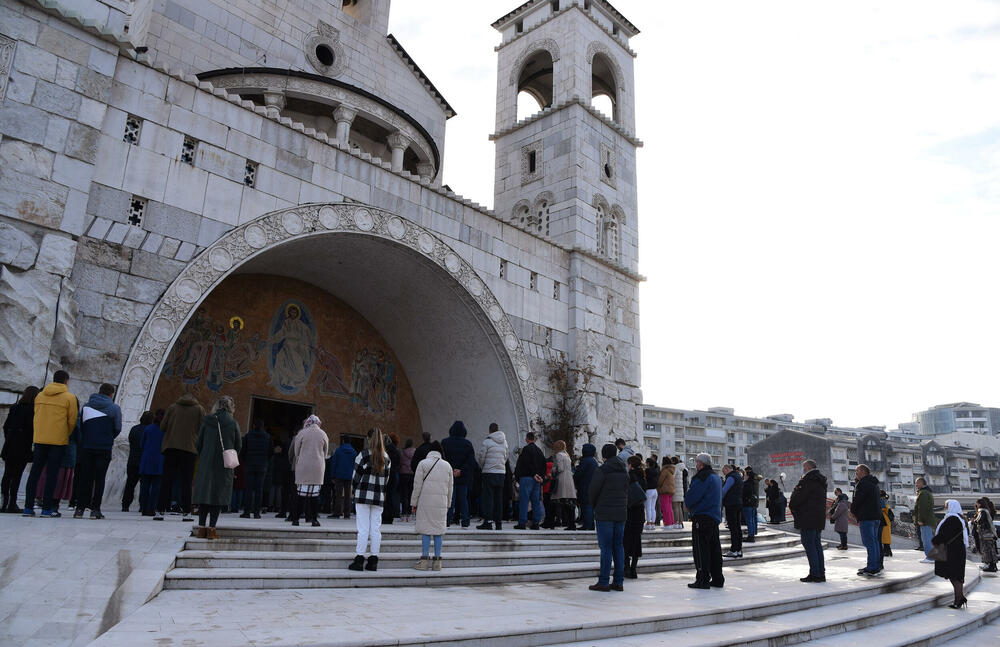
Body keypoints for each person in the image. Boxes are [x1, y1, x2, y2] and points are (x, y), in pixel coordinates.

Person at [23, 370, 78, 517]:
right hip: (58, 441)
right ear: (66, 381)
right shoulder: (70, 398)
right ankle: (47, 508)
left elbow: (37, 415)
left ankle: (28, 507)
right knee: (52, 475)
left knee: (35, 473)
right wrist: (63, 434)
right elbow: (72, 421)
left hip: (40, 439)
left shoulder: (40, 395)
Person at [192, 396, 241, 539]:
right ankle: (212, 530)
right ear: (231, 407)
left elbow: (198, 443)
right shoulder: (233, 423)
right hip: (224, 465)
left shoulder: (207, 421)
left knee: (204, 496)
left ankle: (201, 529)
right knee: (218, 497)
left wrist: (205, 455)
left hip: (206, 464)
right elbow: (238, 445)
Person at [74, 383, 123, 519]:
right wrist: (107, 437)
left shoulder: (86, 407)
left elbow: (81, 427)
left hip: (87, 446)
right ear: (111, 394)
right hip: (104, 447)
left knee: (85, 478)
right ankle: (95, 510)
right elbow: (117, 428)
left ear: (99, 391)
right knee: (100, 479)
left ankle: (79, 509)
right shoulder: (114, 408)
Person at [157, 392, 205, 520]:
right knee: (187, 482)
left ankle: (160, 510)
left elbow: (162, 427)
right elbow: (202, 429)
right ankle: (186, 512)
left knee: (167, 480)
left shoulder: (173, 407)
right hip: (189, 449)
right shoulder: (199, 409)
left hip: (171, 447)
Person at [349, 428, 390, 572]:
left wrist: (353, 490)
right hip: (379, 497)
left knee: (363, 528)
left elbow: (356, 477)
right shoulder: (386, 457)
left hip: (363, 495)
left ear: (368, 439)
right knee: (375, 529)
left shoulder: (363, 455)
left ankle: (359, 559)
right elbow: (386, 481)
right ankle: (373, 560)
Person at [588, 443, 628, 592]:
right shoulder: (624, 470)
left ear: (604, 455)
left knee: (606, 548)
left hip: (604, 514)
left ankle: (604, 581)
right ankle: (618, 581)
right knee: (618, 546)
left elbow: (593, 491)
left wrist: (595, 506)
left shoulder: (602, 470)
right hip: (620, 513)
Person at [411, 440, 453, 570]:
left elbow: (417, 486)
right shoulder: (448, 466)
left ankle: (424, 561)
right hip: (441, 503)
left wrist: (414, 503)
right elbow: (450, 488)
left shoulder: (422, 464)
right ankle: (437, 562)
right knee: (438, 531)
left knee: (426, 530)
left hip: (425, 501)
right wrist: (448, 504)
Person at [684, 453, 724, 589]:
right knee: (714, 549)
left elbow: (693, 495)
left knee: (701, 550)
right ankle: (718, 578)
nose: (696, 465)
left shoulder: (702, 477)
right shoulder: (716, 477)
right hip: (714, 516)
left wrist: (688, 504)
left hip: (702, 516)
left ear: (700, 464)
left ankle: (702, 579)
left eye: (697, 462)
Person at [788, 459, 827, 583]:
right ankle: (820, 572)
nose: (802, 469)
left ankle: (815, 573)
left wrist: (793, 503)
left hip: (807, 517)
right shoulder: (820, 480)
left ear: (809, 468)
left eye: (804, 467)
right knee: (816, 545)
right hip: (817, 518)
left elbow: (798, 498)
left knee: (810, 545)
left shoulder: (808, 480)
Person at [2, 386, 38, 513]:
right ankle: (12, 503)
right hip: (23, 447)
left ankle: (4, 502)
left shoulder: (14, 408)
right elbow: (32, 430)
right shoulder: (33, 411)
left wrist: (10, 438)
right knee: (17, 475)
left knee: (7, 474)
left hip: (10, 446)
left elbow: (6, 427)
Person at [289, 415, 328, 527]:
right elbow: (325, 453)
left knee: (301, 494)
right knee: (314, 496)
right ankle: (314, 520)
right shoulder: (323, 434)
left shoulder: (301, 433)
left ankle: (296, 520)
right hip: (317, 468)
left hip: (303, 467)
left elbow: (296, 452)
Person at [931, 499, 969, 609]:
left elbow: (944, 534)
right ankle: (960, 597)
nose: (945, 508)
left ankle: (959, 599)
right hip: (957, 550)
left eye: (947, 506)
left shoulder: (952, 519)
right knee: (956, 575)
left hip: (953, 551)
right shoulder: (960, 518)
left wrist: (935, 541)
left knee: (954, 575)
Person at [441, 421, 475, 527]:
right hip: (462, 476)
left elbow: (442, 458)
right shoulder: (468, 444)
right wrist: (461, 471)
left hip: (449, 475)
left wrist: (451, 470)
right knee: (463, 499)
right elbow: (471, 462)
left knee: (450, 498)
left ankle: (447, 520)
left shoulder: (445, 442)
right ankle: (465, 520)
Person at [851, 464, 883, 576]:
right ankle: (875, 565)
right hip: (875, 517)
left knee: (869, 542)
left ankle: (872, 567)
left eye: (857, 471)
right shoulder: (874, 484)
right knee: (874, 542)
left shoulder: (863, 484)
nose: (856, 473)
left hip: (867, 517)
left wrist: (853, 511)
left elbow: (858, 500)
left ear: (864, 472)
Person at [476, 423, 509, 530]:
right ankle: (498, 523)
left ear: (490, 430)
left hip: (489, 473)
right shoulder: (504, 443)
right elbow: (506, 457)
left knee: (488, 498)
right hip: (501, 474)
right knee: (499, 499)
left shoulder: (487, 441)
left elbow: (481, 457)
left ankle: (488, 522)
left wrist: (483, 467)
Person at [514, 431, 546, 529]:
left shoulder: (525, 450)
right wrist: (540, 476)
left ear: (527, 439)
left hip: (526, 478)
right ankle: (536, 523)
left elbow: (523, 464)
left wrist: (517, 477)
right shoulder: (539, 451)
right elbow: (543, 465)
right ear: (535, 439)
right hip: (537, 480)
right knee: (536, 501)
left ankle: (522, 523)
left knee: (524, 501)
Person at [241, 419, 273, 519]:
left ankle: (246, 512)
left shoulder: (248, 436)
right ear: (263, 426)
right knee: (259, 490)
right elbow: (271, 451)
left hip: (250, 465)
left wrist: (246, 460)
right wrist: (265, 461)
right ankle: (256, 513)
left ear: (253, 425)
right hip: (262, 466)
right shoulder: (268, 437)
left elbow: (243, 450)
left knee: (249, 489)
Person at [121, 411, 152, 512]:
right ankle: (142, 505)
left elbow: (131, 441)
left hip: (133, 460)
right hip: (144, 461)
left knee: (130, 483)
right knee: (144, 484)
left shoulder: (134, 429)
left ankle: (125, 504)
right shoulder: (149, 430)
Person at [139, 410, 166, 516]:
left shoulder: (148, 428)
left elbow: (142, 444)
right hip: (159, 461)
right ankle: (151, 508)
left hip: (146, 460)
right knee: (156, 487)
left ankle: (143, 507)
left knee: (144, 486)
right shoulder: (165, 430)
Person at [624, 455, 646, 578]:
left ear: (630, 465)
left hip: (629, 512)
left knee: (626, 540)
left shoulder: (629, 476)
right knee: (637, 541)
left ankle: (626, 568)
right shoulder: (643, 476)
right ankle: (634, 569)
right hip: (639, 513)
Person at [550, 440, 578, 531]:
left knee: (559, 501)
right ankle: (571, 523)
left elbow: (560, 468)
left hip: (562, 479)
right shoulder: (567, 455)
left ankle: (555, 522)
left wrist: (553, 470)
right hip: (569, 478)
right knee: (569, 502)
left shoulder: (559, 455)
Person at [329, 436, 357, 519]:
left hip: (339, 475)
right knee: (348, 495)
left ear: (343, 441)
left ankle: (337, 512)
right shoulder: (354, 452)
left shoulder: (338, 451)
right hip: (349, 475)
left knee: (338, 494)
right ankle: (347, 513)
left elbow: (334, 463)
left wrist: (332, 475)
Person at [574, 444, 598, 531]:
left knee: (586, 505)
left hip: (585, 486)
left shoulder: (585, 461)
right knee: (589, 506)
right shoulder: (593, 461)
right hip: (592, 486)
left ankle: (587, 524)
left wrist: (575, 480)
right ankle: (590, 524)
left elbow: (579, 473)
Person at [721, 465, 744, 558]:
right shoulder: (739, 476)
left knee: (733, 528)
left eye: (723, 471)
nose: (723, 473)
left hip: (731, 504)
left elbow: (724, 491)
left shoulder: (731, 477)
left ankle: (733, 550)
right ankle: (739, 550)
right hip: (738, 503)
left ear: (727, 469)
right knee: (738, 527)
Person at [914, 477, 936, 563]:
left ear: (922, 483)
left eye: (917, 483)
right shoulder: (927, 492)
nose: (916, 484)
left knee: (926, 539)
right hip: (928, 519)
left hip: (925, 520)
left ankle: (930, 558)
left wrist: (920, 520)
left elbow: (922, 508)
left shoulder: (923, 493)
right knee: (928, 538)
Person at [382, 432, 401, 525]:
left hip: (387, 474)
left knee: (386, 496)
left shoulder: (386, 450)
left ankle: (385, 516)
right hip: (395, 475)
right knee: (391, 496)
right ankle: (392, 515)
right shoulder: (397, 450)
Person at [974, 498, 997, 573]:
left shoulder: (982, 511)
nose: (976, 505)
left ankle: (989, 566)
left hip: (985, 534)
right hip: (990, 534)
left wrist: (974, 521)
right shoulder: (986, 510)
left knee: (987, 550)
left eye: (977, 503)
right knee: (991, 550)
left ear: (980, 504)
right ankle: (993, 566)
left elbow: (979, 520)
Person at [399, 438, 415, 523]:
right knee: (410, 495)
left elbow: (400, 462)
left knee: (404, 495)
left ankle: (404, 515)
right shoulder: (415, 452)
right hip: (412, 475)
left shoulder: (402, 452)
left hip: (403, 474)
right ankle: (410, 515)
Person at [657, 456, 675, 528]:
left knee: (665, 507)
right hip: (670, 490)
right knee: (669, 507)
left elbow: (660, 481)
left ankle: (667, 523)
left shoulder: (665, 471)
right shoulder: (671, 470)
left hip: (664, 490)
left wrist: (658, 486)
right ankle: (671, 522)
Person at [742, 465, 759, 542]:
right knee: (751, 520)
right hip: (752, 503)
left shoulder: (746, 484)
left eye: (745, 475)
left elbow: (744, 493)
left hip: (747, 504)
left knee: (749, 520)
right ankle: (752, 534)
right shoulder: (753, 482)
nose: (744, 476)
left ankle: (751, 536)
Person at [643, 457, 659, 531]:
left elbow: (645, 478)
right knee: (653, 507)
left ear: (648, 463)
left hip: (649, 490)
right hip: (655, 491)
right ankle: (652, 523)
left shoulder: (647, 470)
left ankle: (648, 523)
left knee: (648, 507)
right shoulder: (656, 471)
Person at [880, 490, 894, 565]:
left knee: (884, 537)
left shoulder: (882, 501)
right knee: (885, 537)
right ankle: (888, 551)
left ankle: (887, 551)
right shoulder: (884, 500)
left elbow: (885, 509)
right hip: (886, 520)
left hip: (884, 520)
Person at [671, 456, 686, 527]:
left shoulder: (675, 468)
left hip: (676, 489)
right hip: (680, 490)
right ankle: (680, 522)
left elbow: (672, 477)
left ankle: (676, 522)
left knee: (675, 507)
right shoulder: (681, 468)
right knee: (679, 507)